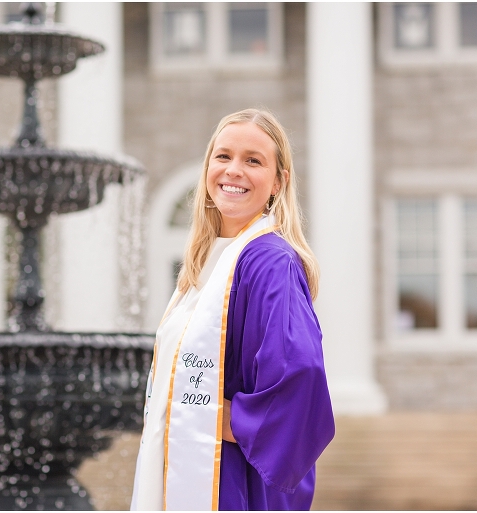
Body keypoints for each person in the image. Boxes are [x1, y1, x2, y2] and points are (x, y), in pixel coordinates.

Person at [131, 109, 335, 511]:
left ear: (279, 181)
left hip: (231, 485)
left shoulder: (269, 261)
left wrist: (221, 420)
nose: (233, 170)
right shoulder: (206, 265)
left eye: (253, 160)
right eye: (222, 157)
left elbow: (302, 372)